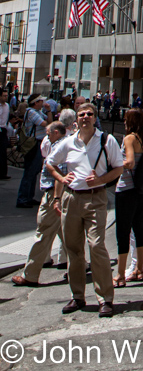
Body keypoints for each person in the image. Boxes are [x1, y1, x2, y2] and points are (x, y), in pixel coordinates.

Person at [46, 101, 124, 317]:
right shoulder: (68, 143)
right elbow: (50, 163)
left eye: (89, 114)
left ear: (94, 117)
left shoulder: (106, 141)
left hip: (95, 199)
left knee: (97, 245)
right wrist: (61, 179)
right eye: (82, 114)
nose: (85, 117)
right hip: (71, 199)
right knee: (73, 249)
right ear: (76, 119)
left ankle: (105, 298)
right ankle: (77, 296)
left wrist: (101, 180)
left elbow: (119, 167)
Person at [11, 112, 75, 287]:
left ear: (56, 132)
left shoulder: (60, 147)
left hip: (54, 195)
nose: (46, 137)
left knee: (43, 233)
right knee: (66, 235)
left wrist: (55, 199)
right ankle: (78, 267)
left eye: (48, 134)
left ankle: (30, 274)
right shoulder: (62, 145)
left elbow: (59, 175)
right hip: (57, 195)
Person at [114, 107, 143, 287]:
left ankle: (120, 274)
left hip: (126, 189)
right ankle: (140, 269)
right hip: (141, 189)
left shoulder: (129, 138)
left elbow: (130, 162)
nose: (124, 122)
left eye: (126, 119)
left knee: (122, 232)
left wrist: (115, 163)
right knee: (139, 228)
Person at [16, 94, 51, 208]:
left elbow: (49, 121)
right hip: (33, 144)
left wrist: (49, 112)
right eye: (41, 101)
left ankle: (28, 197)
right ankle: (23, 198)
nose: (42, 103)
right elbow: (45, 124)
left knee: (34, 171)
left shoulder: (38, 112)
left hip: (37, 143)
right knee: (29, 171)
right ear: (36, 102)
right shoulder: (31, 112)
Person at [0, 88, 11, 179]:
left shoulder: (7, 106)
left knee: (3, 152)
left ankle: (3, 173)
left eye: (7, 96)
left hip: (3, 129)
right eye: (4, 96)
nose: (6, 97)